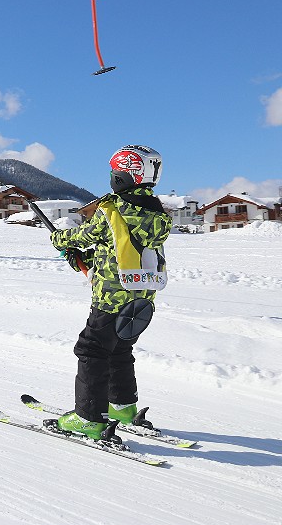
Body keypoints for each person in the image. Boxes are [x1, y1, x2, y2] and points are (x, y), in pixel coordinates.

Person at [49, 145, 172, 441]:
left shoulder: (112, 209)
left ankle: (89, 418)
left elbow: (82, 235)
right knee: (119, 350)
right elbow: (123, 247)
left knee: (91, 350)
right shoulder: (157, 213)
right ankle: (122, 407)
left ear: (123, 176)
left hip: (111, 299)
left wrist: (58, 238)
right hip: (142, 300)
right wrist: (89, 261)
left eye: (115, 172)